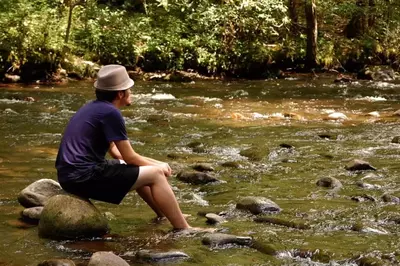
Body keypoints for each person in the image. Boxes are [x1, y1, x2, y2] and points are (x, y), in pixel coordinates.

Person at [55, 64, 191, 230]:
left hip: (69, 177)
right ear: (120, 94)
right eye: (129, 89)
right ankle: (184, 228)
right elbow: (129, 157)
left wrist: (154, 162)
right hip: (83, 177)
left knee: (140, 169)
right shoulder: (111, 113)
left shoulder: (93, 108)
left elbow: (116, 153)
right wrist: (158, 166)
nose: (131, 92)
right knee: (155, 174)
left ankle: (164, 214)